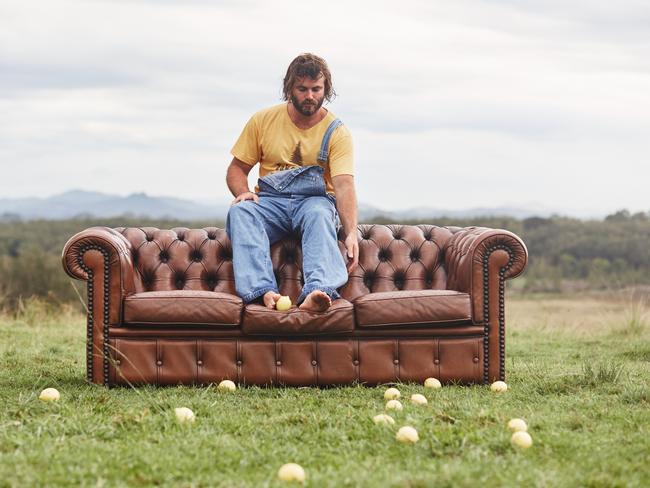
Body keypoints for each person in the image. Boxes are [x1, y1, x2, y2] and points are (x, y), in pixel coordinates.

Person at [225, 53, 358, 312]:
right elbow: (236, 170)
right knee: (240, 210)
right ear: (289, 88)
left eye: (316, 89)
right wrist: (243, 192)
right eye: (303, 89)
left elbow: (344, 185)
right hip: (270, 202)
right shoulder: (262, 121)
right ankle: (264, 292)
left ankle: (318, 291)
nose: (310, 96)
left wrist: (351, 231)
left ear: (325, 90)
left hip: (314, 202)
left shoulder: (337, 132)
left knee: (320, 213)